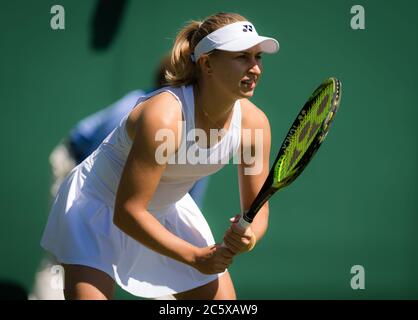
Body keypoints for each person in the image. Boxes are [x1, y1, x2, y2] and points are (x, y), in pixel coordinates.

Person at [40, 12, 279, 300]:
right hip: (98, 206)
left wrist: (249, 236)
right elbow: (128, 212)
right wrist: (194, 257)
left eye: (258, 57)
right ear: (207, 64)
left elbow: (258, 209)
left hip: (167, 211)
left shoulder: (254, 125)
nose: (255, 68)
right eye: (242, 57)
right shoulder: (164, 117)